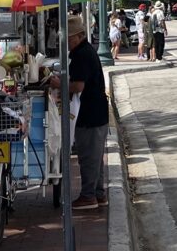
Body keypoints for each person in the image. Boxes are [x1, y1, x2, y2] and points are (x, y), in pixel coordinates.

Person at [54, 16, 109, 210]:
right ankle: (98, 193)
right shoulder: (83, 52)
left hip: (91, 112)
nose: (66, 43)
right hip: (96, 111)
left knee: (88, 156)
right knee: (95, 156)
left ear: (78, 36)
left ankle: (88, 196)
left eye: (68, 38)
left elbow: (77, 85)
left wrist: (58, 83)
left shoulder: (82, 54)